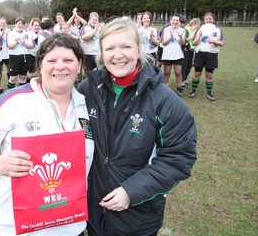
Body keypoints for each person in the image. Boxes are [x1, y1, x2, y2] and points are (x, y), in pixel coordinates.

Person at [77, 17, 197, 235]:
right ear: (101, 53)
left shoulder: (165, 101)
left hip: (137, 216)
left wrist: (131, 192)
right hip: (92, 212)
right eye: (110, 48)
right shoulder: (87, 90)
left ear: (140, 48)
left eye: (126, 46)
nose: (118, 54)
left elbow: (178, 157)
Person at [0, 32, 95, 236]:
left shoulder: (87, 105)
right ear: (40, 65)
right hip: (15, 228)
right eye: (52, 60)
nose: (60, 66)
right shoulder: (15, 100)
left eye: (68, 60)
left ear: (79, 65)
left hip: (69, 227)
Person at [188, 12, 225, 101]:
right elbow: (193, 43)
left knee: (209, 75)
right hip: (200, 54)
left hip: (212, 54)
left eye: (210, 18)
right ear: (204, 20)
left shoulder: (217, 30)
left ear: (213, 19)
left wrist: (214, 42)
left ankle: (209, 93)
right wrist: (199, 36)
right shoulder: (199, 29)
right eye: (206, 19)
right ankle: (193, 91)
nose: (208, 20)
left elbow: (222, 43)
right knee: (197, 74)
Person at [161, 13, 186, 96]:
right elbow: (164, 43)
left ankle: (179, 89)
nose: (175, 22)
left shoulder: (182, 30)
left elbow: (182, 44)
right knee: (166, 72)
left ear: (179, 22)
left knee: (178, 72)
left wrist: (181, 36)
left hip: (178, 55)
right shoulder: (166, 29)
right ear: (170, 20)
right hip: (167, 55)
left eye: (177, 20)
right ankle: (164, 89)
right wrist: (170, 36)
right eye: (174, 20)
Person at [7, 17, 34, 89]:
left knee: (22, 77)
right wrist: (16, 42)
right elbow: (9, 46)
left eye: (22, 24)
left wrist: (24, 42)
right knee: (12, 78)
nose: (20, 25)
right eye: (19, 23)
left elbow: (31, 46)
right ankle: (10, 94)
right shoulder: (11, 33)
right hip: (14, 57)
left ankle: (21, 94)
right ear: (15, 24)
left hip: (25, 57)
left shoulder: (27, 34)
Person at [80, 12, 102, 77]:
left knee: (100, 72)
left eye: (96, 20)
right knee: (90, 74)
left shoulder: (100, 28)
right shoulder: (85, 28)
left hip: (98, 54)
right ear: (89, 20)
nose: (95, 21)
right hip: (88, 54)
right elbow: (85, 38)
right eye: (93, 20)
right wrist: (95, 30)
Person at [181, 18, 201, 87]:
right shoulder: (186, 29)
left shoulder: (197, 30)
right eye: (197, 24)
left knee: (189, 65)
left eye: (199, 24)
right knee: (184, 64)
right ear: (193, 23)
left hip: (192, 49)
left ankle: (185, 77)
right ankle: (182, 79)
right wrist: (194, 35)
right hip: (185, 48)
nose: (198, 26)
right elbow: (185, 40)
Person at [0, 17, 11, 90]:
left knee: (9, 70)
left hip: (7, 53)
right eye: (1, 23)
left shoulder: (9, 31)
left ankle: (10, 85)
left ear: (6, 24)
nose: (2, 24)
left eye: (4, 23)